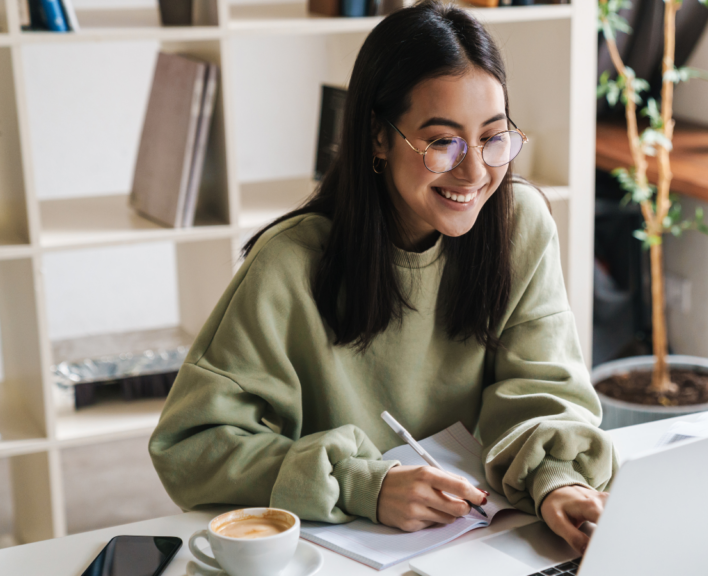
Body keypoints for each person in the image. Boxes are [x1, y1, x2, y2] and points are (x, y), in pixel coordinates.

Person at [148, 0, 617, 554]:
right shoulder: (289, 264)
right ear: (378, 136)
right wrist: (364, 485)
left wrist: (557, 479)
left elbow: (543, 391)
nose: (475, 172)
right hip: (341, 555)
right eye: (443, 142)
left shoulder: (520, 225)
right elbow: (191, 447)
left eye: (493, 137)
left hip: (486, 543)